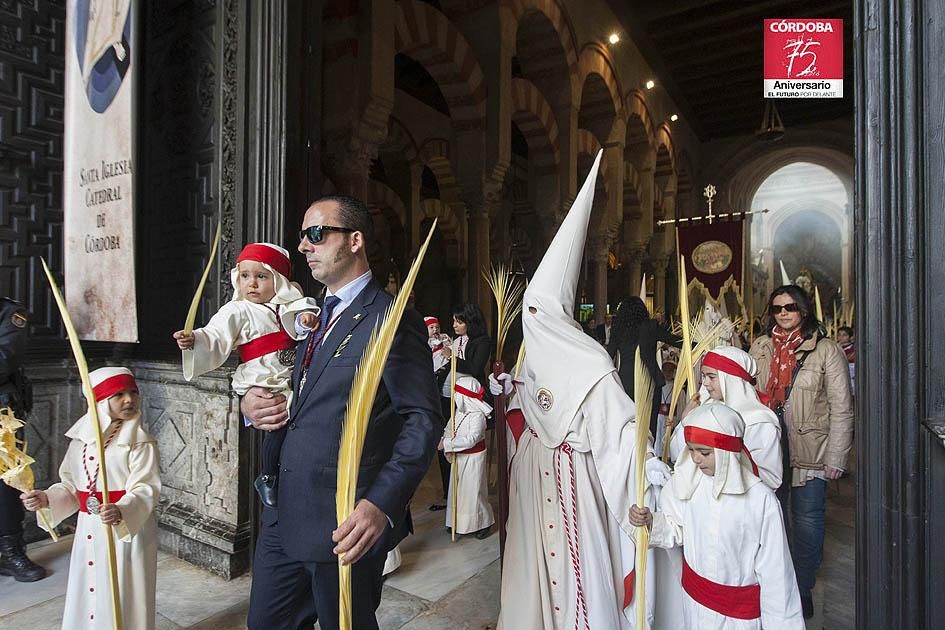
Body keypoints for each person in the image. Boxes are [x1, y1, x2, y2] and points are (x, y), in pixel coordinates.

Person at [240, 195, 440, 630]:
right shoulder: (310, 313)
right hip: (282, 513)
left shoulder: (389, 317)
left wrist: (380, 504)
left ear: (354, 240)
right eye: (303, 238)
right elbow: (305, 396)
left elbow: (422, 418)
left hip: (345, 522)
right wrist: (251, 406)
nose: (304, 247)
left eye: (315, 234)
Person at [496, 153, 668, 629]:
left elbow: (621, 437)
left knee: (582, 578)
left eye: (536, 312)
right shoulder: (531, 360)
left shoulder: (592, 364)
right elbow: (521, 407)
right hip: (534, 484)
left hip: (578, 486)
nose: (530, 324)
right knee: (532, 582)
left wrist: (641, 484)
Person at [629, 404, 804, 629]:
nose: (696, 459)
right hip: (694, 607)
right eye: (691, 450)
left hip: (737, 619)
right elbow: (677, 527)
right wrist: (650, 522)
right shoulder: (689, 486)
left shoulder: (760, 501)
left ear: (727, 451)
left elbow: (777, 576)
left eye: (704, 452)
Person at [173, 243, 318, 507]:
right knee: (277, 425)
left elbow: (301, 322)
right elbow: (214, 333)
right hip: (263, 378)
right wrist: (194, 339)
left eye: (261, 276)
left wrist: (304, 321)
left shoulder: (291, 303)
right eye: (245, 276)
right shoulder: (236, 310)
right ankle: (268, 475)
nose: (251, 283)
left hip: (291, 375)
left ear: (279, 280)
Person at [21, 367, 161, 629]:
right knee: (90, 585)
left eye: (133, 392)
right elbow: (72, 487)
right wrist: (46, 499)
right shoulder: (80, 443)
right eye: (118, 394)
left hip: (127, 530)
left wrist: (122, 509)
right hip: (89, 526)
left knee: (123, 589)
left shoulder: (140, 443)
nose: (129, 400)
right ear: (99, 402)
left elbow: (146, 488)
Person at [750, 285, 853, 618]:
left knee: (807, 522)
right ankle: (778, 586)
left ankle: (803, 586)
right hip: (769, 449)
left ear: (804, 311)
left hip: (811, 450)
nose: (783, 312)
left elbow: (842, 407)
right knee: (773, 522)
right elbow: (746, 390)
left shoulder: (826, 351)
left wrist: (836, 457)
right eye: (777, 307)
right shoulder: (762, 346)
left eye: (790, 307)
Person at [670, 346, 783, 490]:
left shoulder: (759, 420)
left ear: (731, 379)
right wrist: (686, 421)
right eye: (703, 376)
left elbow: (771, 478)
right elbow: (677, 455)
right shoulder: (703, 409)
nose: (704, 382)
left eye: (711, 377)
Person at [0, 296, 46, 582]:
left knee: (8, 482)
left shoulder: (9, 312)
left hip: (2, 414)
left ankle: (10, 551)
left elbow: (5, 359)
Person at [608, 295, 681, 436]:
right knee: (649, 428)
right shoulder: (650, 326)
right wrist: (701, 345)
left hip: (626, 382)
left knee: (628, 426)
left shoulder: (617, 329)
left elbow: (608, 355)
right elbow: (676, 341)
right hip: (650, 380)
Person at [440, 375, 494, 539]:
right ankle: (457, 520)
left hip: (473, 459)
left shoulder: (477, 416)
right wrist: (446, 444)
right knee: (457, 491)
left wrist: (448, 444)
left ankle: (483, 522)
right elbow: (449, 428)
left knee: (472, 492)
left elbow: (471, 439)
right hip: (459, 457)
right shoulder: (458, 412)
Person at [425, 315, 454, 511]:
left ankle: (452, 492)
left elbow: (453, 355)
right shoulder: (424, 343)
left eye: (436, 326)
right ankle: (447, 492)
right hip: (434, 390)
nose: (435, 330)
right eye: (431, 327)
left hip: (450, 390)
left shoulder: (446, 339)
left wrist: (447, 351)